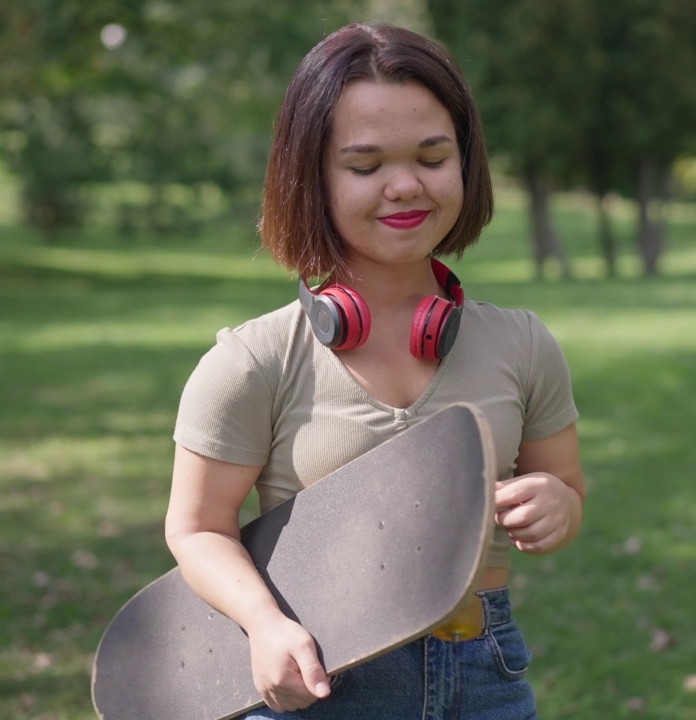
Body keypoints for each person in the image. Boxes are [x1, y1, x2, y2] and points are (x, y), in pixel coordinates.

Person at [164, 23, 585, 719]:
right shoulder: (254, 362)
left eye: (432, 156)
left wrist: (556, 506)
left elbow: (565, 491)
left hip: (483, 672)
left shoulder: (522, 344)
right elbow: (198, 528)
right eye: (365, 167)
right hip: (316, 676)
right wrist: (265, 626)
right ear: (313, 177)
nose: (405, 186)